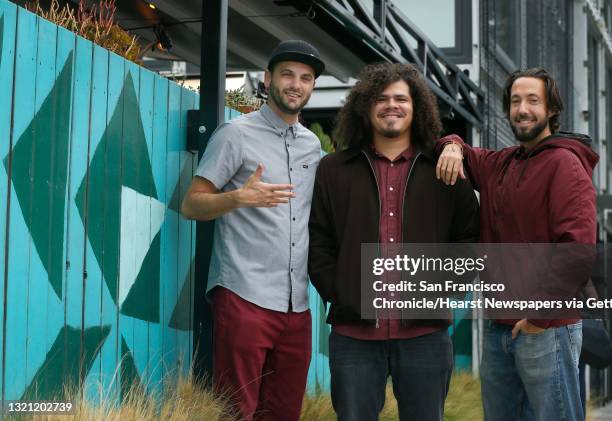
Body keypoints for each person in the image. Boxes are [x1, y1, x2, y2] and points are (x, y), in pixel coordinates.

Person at [308, 62, 479, 421]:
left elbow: (469, 239)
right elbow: (319, 240)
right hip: (353, 335)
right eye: (381, 98)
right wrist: (340, 291)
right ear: (365, 106)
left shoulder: (445, 169)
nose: (392, 105)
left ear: (416, 108)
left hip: (425, 335)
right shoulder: (333, 170)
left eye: (401, 98)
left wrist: (439, 288)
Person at [436, 67, 598, 421]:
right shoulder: (501, 164)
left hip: (547, 329)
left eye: (533, 100)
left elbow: (576, 250)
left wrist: (538, 319)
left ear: (551, 110)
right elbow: (456, 145)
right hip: (499, 330)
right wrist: (451, 145)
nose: (522, 109)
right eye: (515, 101)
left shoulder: (565, 165)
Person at [181, 40, 324, 421]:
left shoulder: (313, 147)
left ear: (312, 87)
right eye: (288, 74)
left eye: (306, 78)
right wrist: (238, 198)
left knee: (283, 413)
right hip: (244, 295)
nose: (296, 84)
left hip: (298, 307)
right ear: (267, 79)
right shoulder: (235, 134)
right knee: (235, 412)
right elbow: (191, 204)